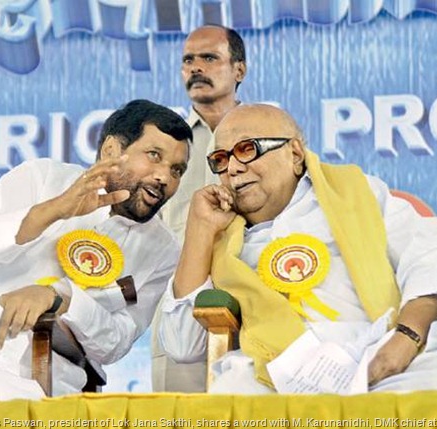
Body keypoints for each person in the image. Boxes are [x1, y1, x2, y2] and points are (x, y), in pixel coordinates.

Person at [0, 99, 192, 420]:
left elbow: (115, 343)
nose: (164, 178)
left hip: (32, 374)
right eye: (154, 156)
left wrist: (60, 298)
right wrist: (52, 210)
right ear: (112, 150)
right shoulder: (41, 177)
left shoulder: (162, 250)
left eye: (177, 170)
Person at [159, 103, 437, 393]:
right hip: (273, 374)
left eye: (247, 149)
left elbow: (426, 260)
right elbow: (182, 346)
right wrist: (199, 231)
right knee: (230, 397)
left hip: (383, 356)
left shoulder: (357, 193)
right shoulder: (221, 235)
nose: (233, 169)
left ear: (294, 154)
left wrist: (406, 338)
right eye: (222, 160)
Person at [152, 24, 247, 393]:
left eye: (209, 58)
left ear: (239, 70)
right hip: (181, 311)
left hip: (255, 300)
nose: (195, 68)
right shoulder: (163, 144)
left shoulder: (267, 136)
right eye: (188, 60)